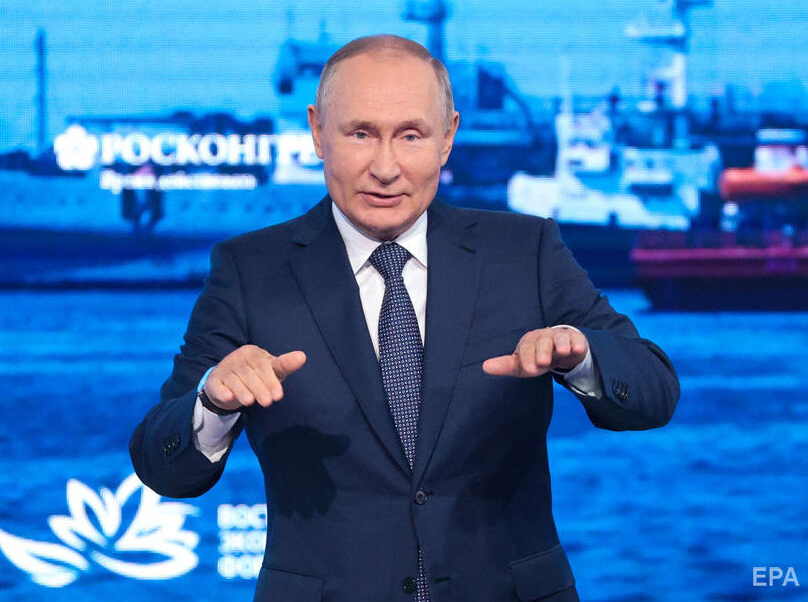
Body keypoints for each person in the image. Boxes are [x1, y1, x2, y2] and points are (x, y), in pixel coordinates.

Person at [130, 35, 679, 602]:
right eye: (361, 134)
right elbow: (160, 465)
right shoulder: (249, 270)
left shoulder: (525, 252)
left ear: (448, 137)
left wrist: (581, 356)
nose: (386, 168)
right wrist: (212, 403)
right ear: (317, 131)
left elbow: (655, 391)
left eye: (411, 135)